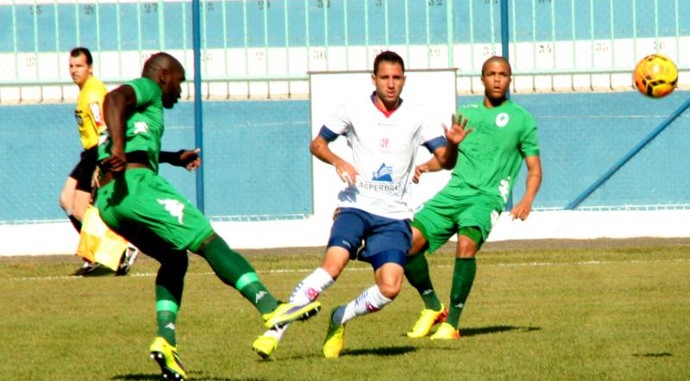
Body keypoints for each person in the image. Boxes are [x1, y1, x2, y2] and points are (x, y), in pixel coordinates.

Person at [94, 52, 321, 380]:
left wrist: (172, 157)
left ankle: (166, 341)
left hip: (109, 200)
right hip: (136, 187)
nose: (181, 91)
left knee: (175, 260)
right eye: (179, 81)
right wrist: (117, 147)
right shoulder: (149, 88)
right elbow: (114, 98)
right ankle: (270, 307)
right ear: (163, 76)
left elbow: (133, 144)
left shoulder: (142, 115)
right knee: (206, 237)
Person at [252, 50, 470, 359]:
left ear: (404, 80)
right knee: (331, 267)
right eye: (385, 78)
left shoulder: (419, 116)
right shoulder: (353, 108)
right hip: (355, 207)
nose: (391, 84)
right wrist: (338, 160)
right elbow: (318, 143)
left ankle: (340, 317)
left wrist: (454, 146)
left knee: (390, 288)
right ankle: (272, 335)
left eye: (396, 78)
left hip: (394, 217)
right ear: (374, 79)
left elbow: (445, 163)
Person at [403, 55, 542, 340]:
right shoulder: (467, 114)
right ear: (482, 79)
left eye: (503, 74)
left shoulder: (522, 119)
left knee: (465, 246)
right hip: (454, 192)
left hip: (486, 197)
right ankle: (433, 306)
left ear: (510, 78)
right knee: (405, 244)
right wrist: (426, 166)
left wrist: (527, 199)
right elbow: (448, 159)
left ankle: (452, 323)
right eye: (491, 74)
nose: (497, 79)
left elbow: (534, 169)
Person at [59, 47, 138, 276]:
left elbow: (104, 127)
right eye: (71, 66)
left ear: (90, 68)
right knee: (67, 200)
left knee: (81, 208)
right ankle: (96, 254)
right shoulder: (85, 90)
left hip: (96, 152)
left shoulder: (93, 93)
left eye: (79, 66)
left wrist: (100, 163)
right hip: (88, 153)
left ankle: (120, 251)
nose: (74, 71)